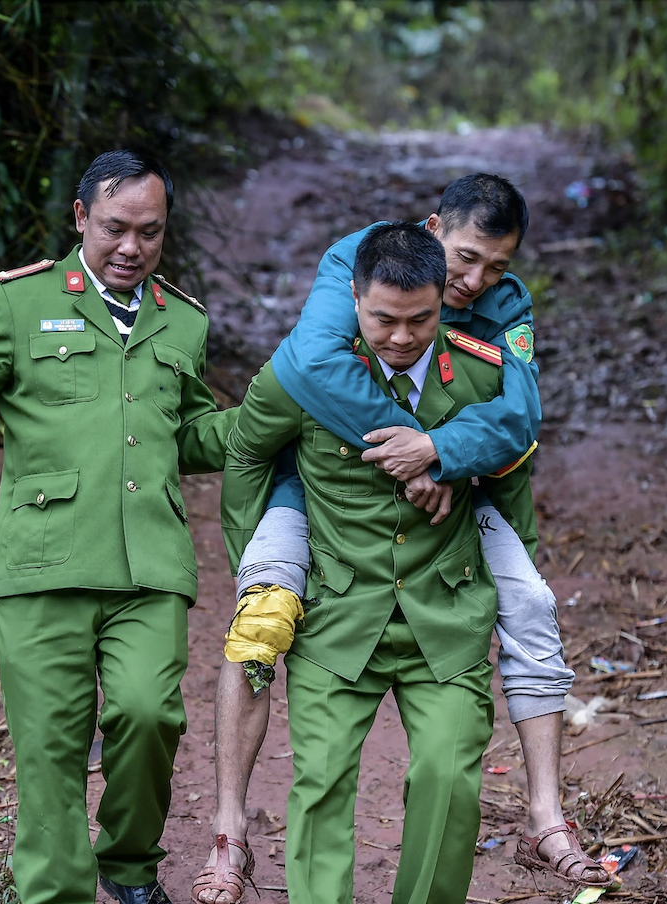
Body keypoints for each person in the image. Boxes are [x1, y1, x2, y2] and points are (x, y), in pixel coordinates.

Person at [195, 175, 607, 903]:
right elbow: (272, 421)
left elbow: (516, 428)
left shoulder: (500, 313)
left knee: (490, 692)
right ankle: (228, 833)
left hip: (446, 571)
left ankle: (547, 814)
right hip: (332, 553)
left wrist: (444, 452)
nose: (472, 283)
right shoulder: (343, 278)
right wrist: (406, 449)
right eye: (465, 260)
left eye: (495, 267)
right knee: (267, 645)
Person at [0, 150, 232, 904]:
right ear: (81, 218)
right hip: (45, 559)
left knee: (148, 714)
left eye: (150, 232)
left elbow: (193, 432)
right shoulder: (16, 302)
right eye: (115, 229)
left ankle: (130, 863)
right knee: (50, 746)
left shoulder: (183, 319)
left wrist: (268, 424)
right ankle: (56, 892)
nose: (131, 248)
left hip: (149, 563)